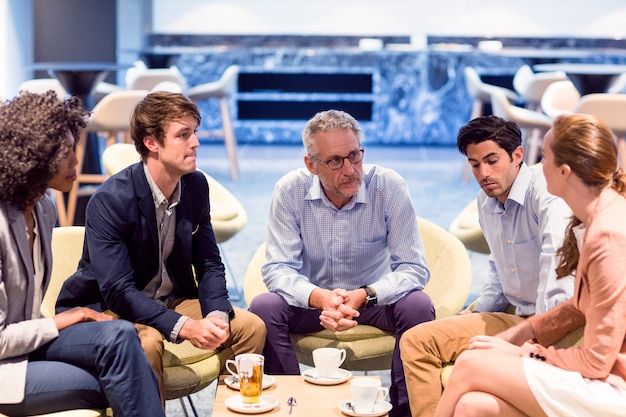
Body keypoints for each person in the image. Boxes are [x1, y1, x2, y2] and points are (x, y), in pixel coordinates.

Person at [55, 91, 266, 403]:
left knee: (250, 327)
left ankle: (229, 408)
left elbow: (209, 262)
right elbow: (117, 290)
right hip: (114, 307)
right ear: (151, 143)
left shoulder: (195, 185)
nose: (195, 143)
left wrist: (217, 315)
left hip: (172, 297)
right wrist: (186, 327)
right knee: (148, 342)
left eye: (194, 132)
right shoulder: (111, 200)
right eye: (183, 135)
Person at [435, 113, 626, 417]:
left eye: (544, 156)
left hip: (614, 387)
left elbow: (597, 362)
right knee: (473, 406)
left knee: (472, 363)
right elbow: (579, 305)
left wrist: (525, 352)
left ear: (564, 171)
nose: (536, 164)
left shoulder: (608, 234)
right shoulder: (596, 216)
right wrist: (520, 332)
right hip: (601, 376)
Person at [248, 109, 435, 417]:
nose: (350, 169)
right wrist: (319, 297)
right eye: (335, 161)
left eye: (355, 156)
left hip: (374, 301)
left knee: (418, 306)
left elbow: (413, 267)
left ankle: (403, 410)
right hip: (312, 305)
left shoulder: (388, 186)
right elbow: (278, 268)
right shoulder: (289, 190)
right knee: (264, 308)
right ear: (311, 165)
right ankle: (294, 406)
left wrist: (365, 294)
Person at [0, 91, 164, 416]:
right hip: (6, 364)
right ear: (33, 157)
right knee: (124, 376)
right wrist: (68, 318)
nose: (76, 162)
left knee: (119, 334)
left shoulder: (43, 209)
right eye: (63, 154)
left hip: (30, 341)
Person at [400, 115, 574, 417]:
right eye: (475, 164)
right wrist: (476, 312)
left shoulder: (546, 197)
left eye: (492, 160)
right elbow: (498, 266)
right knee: (417, 341)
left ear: (517, 155)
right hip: (514, 317)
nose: (484, 173)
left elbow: (557, 269)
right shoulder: (486, 203)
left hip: (556, 324)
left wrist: (536, 341)